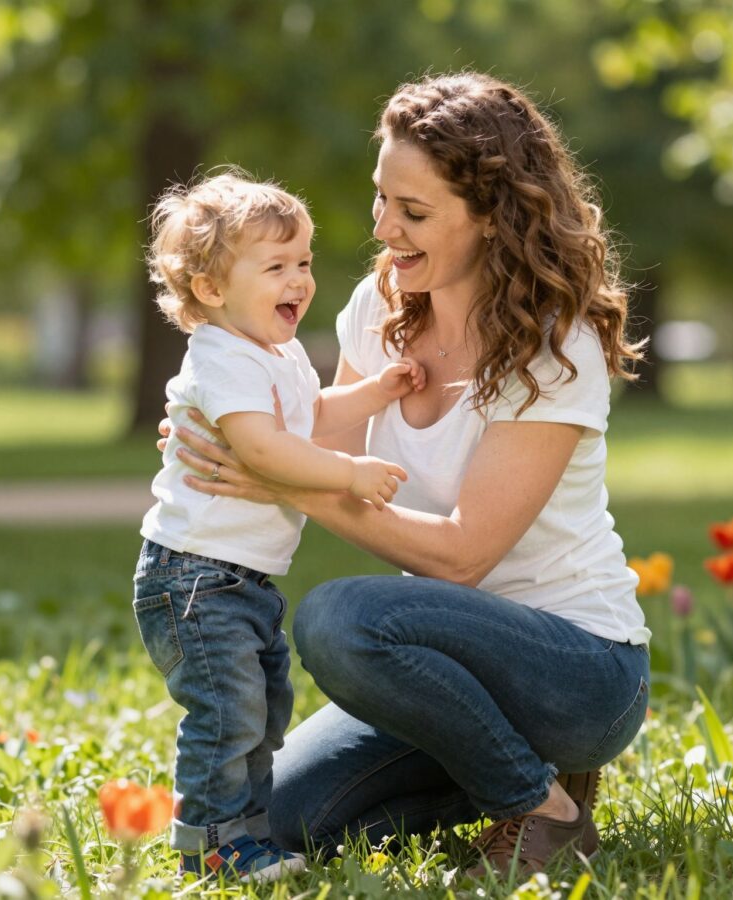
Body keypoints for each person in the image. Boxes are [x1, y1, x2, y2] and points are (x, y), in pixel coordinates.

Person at [159, 72, 652, 878]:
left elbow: (463, 557)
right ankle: (516, 774)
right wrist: (214, 426)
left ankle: (541, 808)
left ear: (493, 215)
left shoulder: (555, 347)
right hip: (436, 669)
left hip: (580, 670)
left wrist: (279, 480)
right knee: (282, 818)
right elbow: (299, 428)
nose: (385, 228)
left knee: (340, 620)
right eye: (382, 199)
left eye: (414, 212)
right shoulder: (377, 307)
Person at [135, 171, 426, 882]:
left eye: (304, 262)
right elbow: (265, 449)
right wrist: (349, 473)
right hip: (195, 577)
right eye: (276, 267)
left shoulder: (273, 352)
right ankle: (213, 844)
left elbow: (306, 417)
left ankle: (248, 834)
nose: (299, 279)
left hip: (238, 578)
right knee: (228, 714)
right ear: (209, 289)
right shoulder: (222, 355)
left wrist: (371, 393)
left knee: (264, 712)